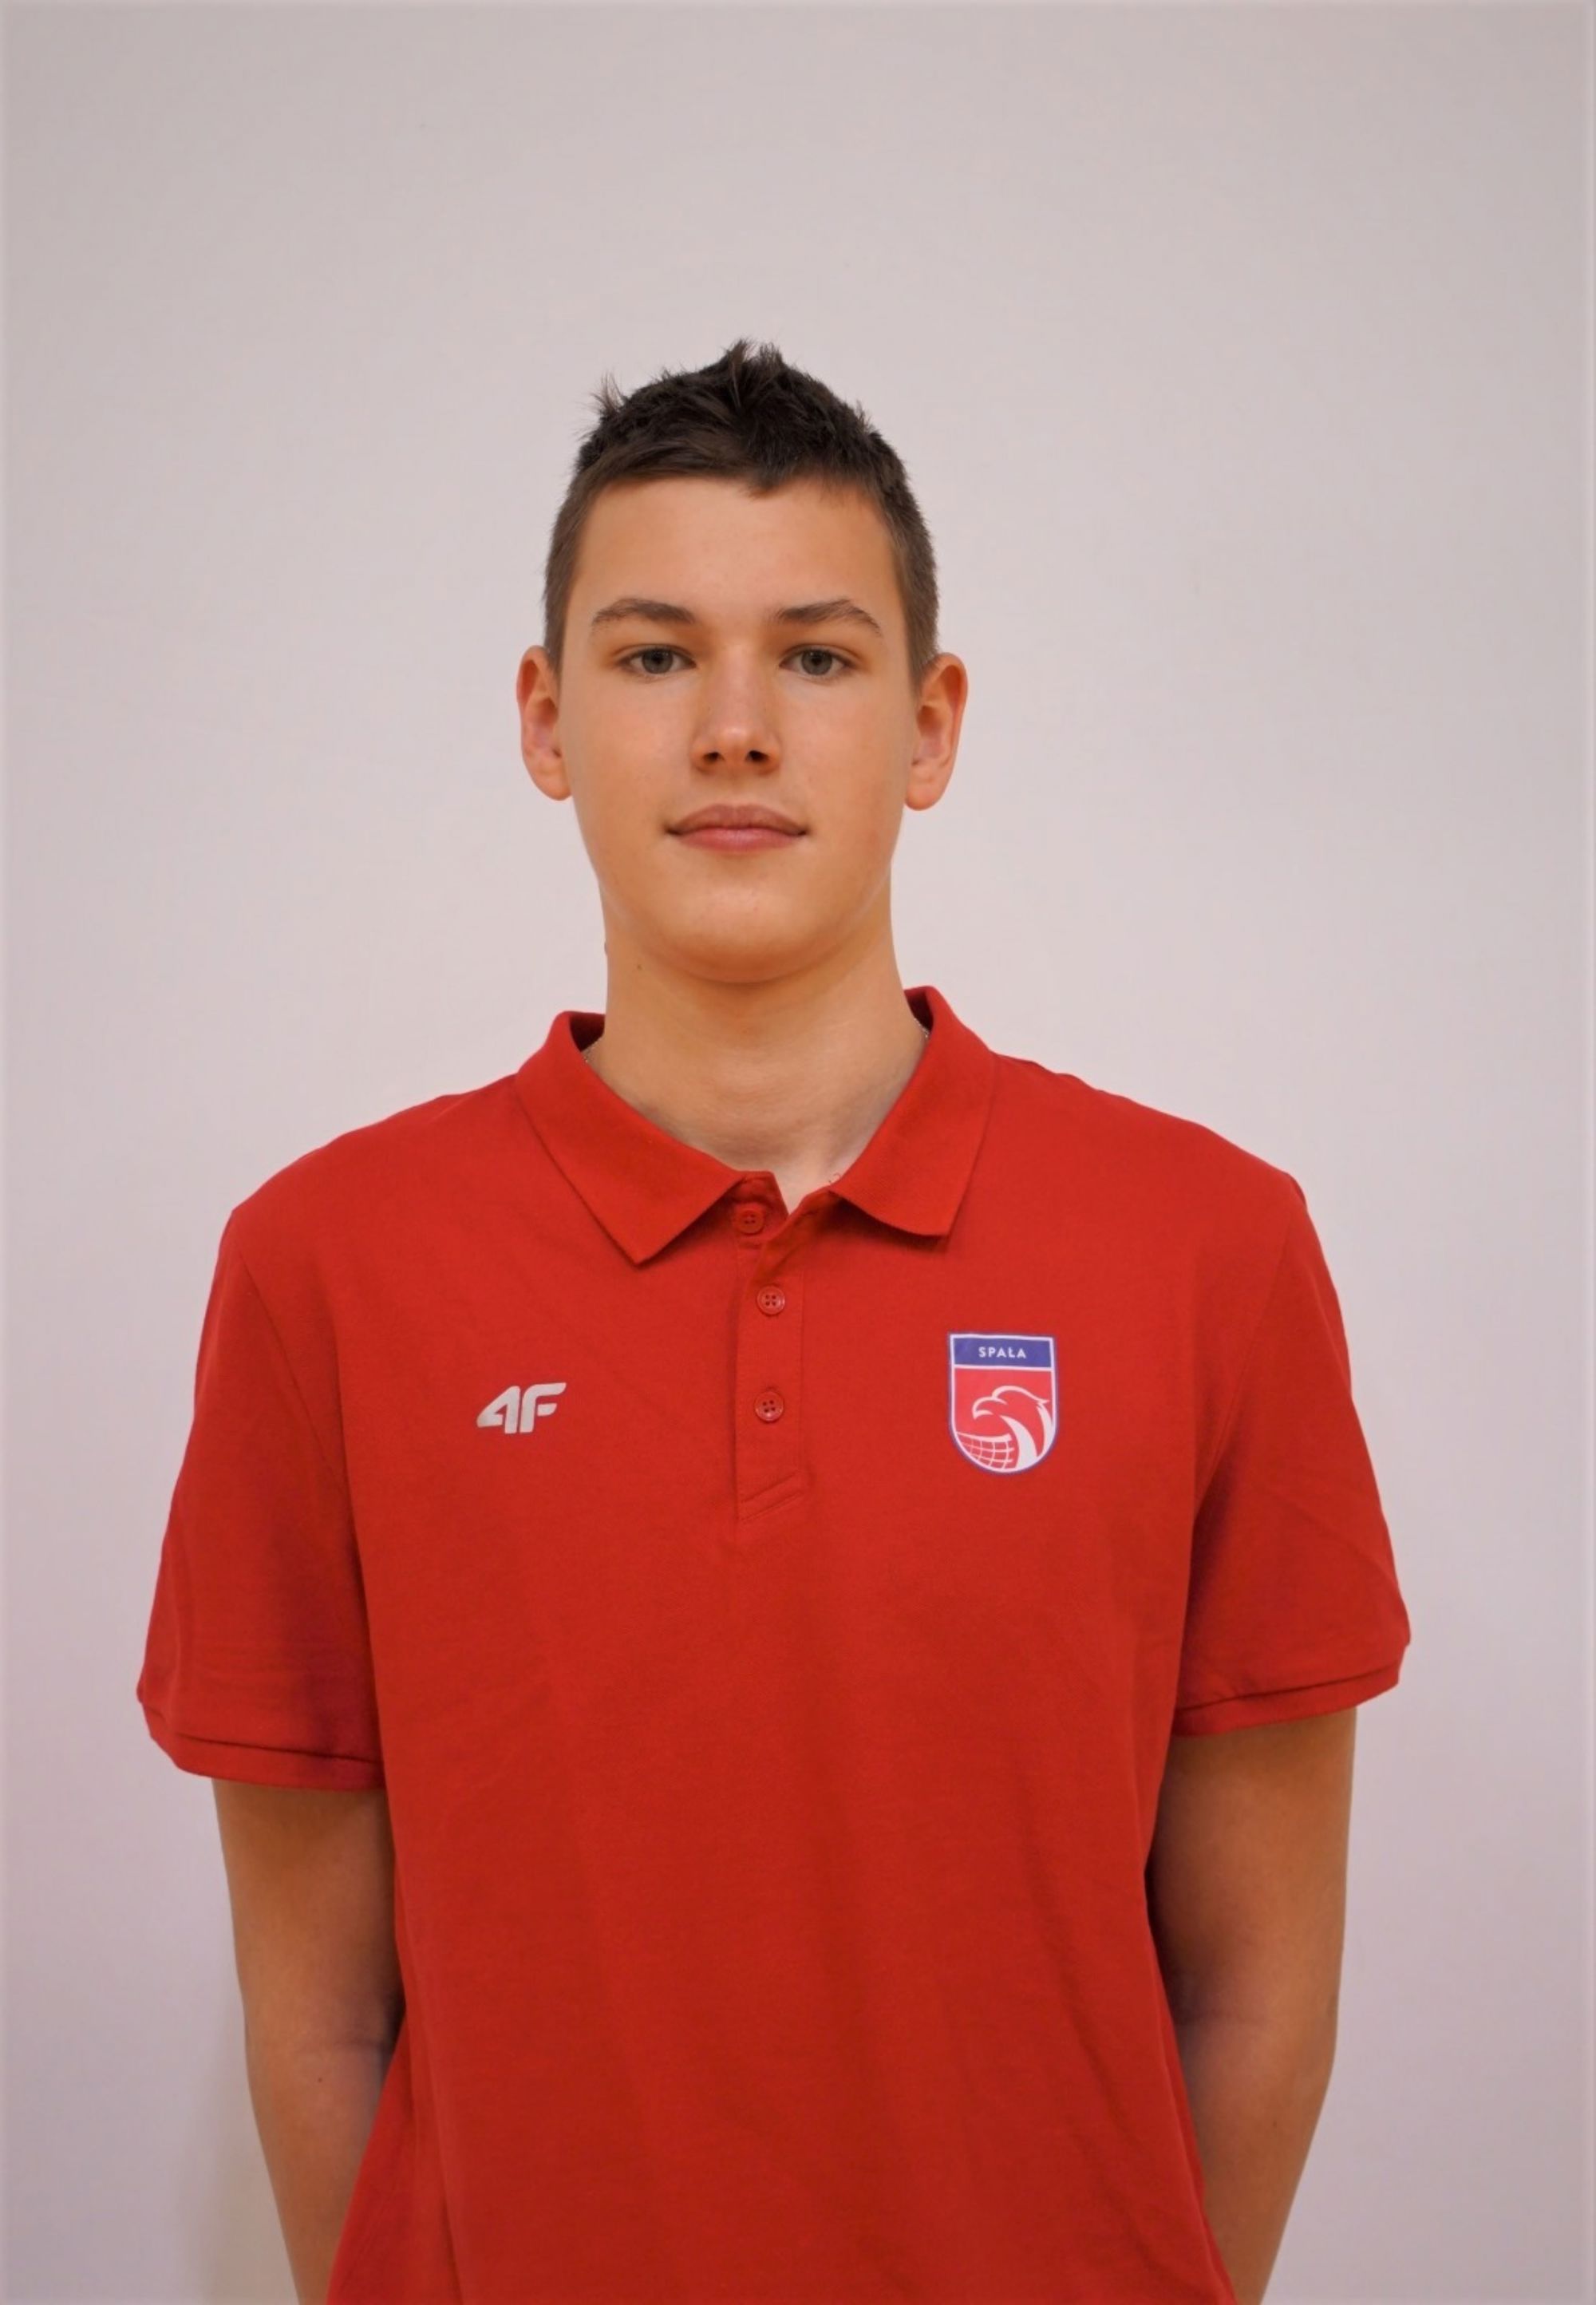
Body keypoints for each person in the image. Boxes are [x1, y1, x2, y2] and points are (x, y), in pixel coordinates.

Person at [136, 337, 1412, 2305]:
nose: (735, 729)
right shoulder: (329, 1264)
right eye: (655, 655)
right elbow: (318, 2010)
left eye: (815, 656)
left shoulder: (1208, 1249)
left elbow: (1253, 1989)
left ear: (928, 723)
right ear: (547, 719)